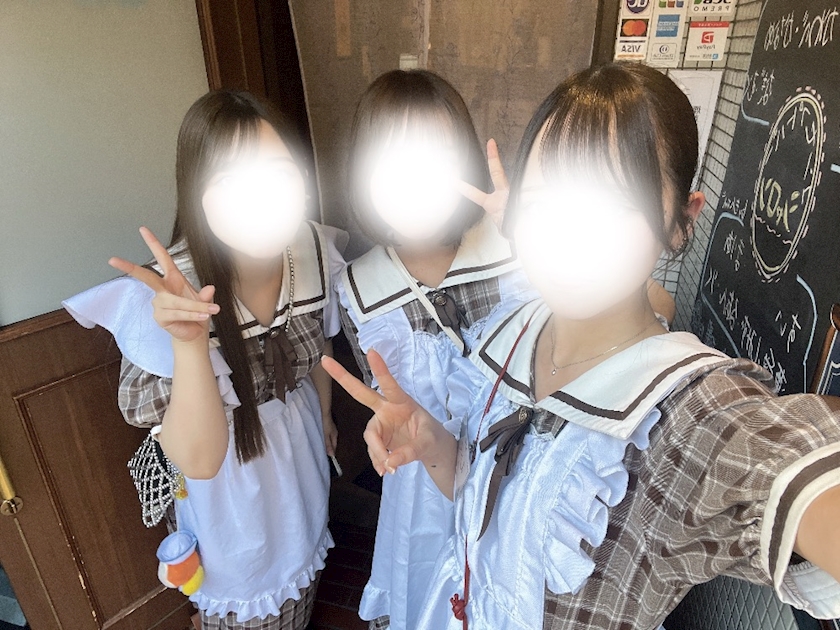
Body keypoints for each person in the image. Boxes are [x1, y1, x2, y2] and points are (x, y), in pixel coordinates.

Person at [323, 62, 840, 629]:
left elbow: (789, 472)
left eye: (611, 204)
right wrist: (432, 443)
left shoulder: (687, 414)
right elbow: (478, 496)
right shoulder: (510, 331)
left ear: (681, 220)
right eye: (546, 201)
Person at [64, 90, 346, 630]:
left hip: (298, 447)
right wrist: (190, 343)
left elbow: (319, 345)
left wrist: (327, 415)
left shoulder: (312, 248)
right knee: (246, 598)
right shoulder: (171, 296)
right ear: (200, 194)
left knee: (303, 568)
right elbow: (198, 458)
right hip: (228, 480)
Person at [337, 69, 535, 630]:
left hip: (517, 480)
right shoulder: (356, 286)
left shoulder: (518, 245)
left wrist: (538, 240)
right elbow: (384, 397)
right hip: (421, 498)